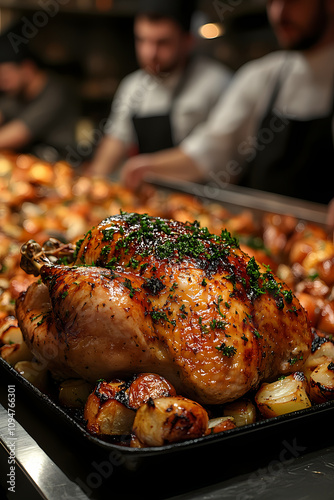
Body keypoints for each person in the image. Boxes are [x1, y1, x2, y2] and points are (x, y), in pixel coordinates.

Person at [121, 0, 334, 208]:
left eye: (293, 1)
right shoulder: (261, 76)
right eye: (271, 2)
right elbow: (211, 150)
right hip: (262, 231)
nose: (279, 13)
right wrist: (147, 167)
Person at [85, 0, 232, 178]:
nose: (149, 53)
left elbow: (216, 153)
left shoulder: (217, 83)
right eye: (142, 40)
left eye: (162, 43)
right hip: (149, 198)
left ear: (188, 41)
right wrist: (93, 181)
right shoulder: (132, 86)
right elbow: (116, 140)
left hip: (202, 198)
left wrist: (144, 168)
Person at [0, 22, 79, 163]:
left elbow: (19, 133)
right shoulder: (16, 92)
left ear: (27, 69)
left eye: (6, 76)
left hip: (60, 168)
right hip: (28, 166)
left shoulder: (55, 93)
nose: (3, 83)